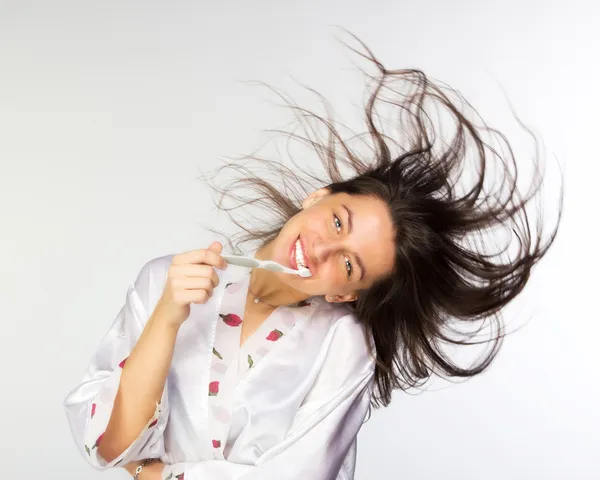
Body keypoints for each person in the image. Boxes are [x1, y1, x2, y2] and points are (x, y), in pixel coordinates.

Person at [63, 38, 562, 480]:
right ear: (316, 197)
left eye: (348, 265)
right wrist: (168, 318)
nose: (322, 248)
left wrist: (155, 477)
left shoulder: (343, 344)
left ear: (345, 292)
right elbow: (106, 444)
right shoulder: (167, 280)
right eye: (338, 221)